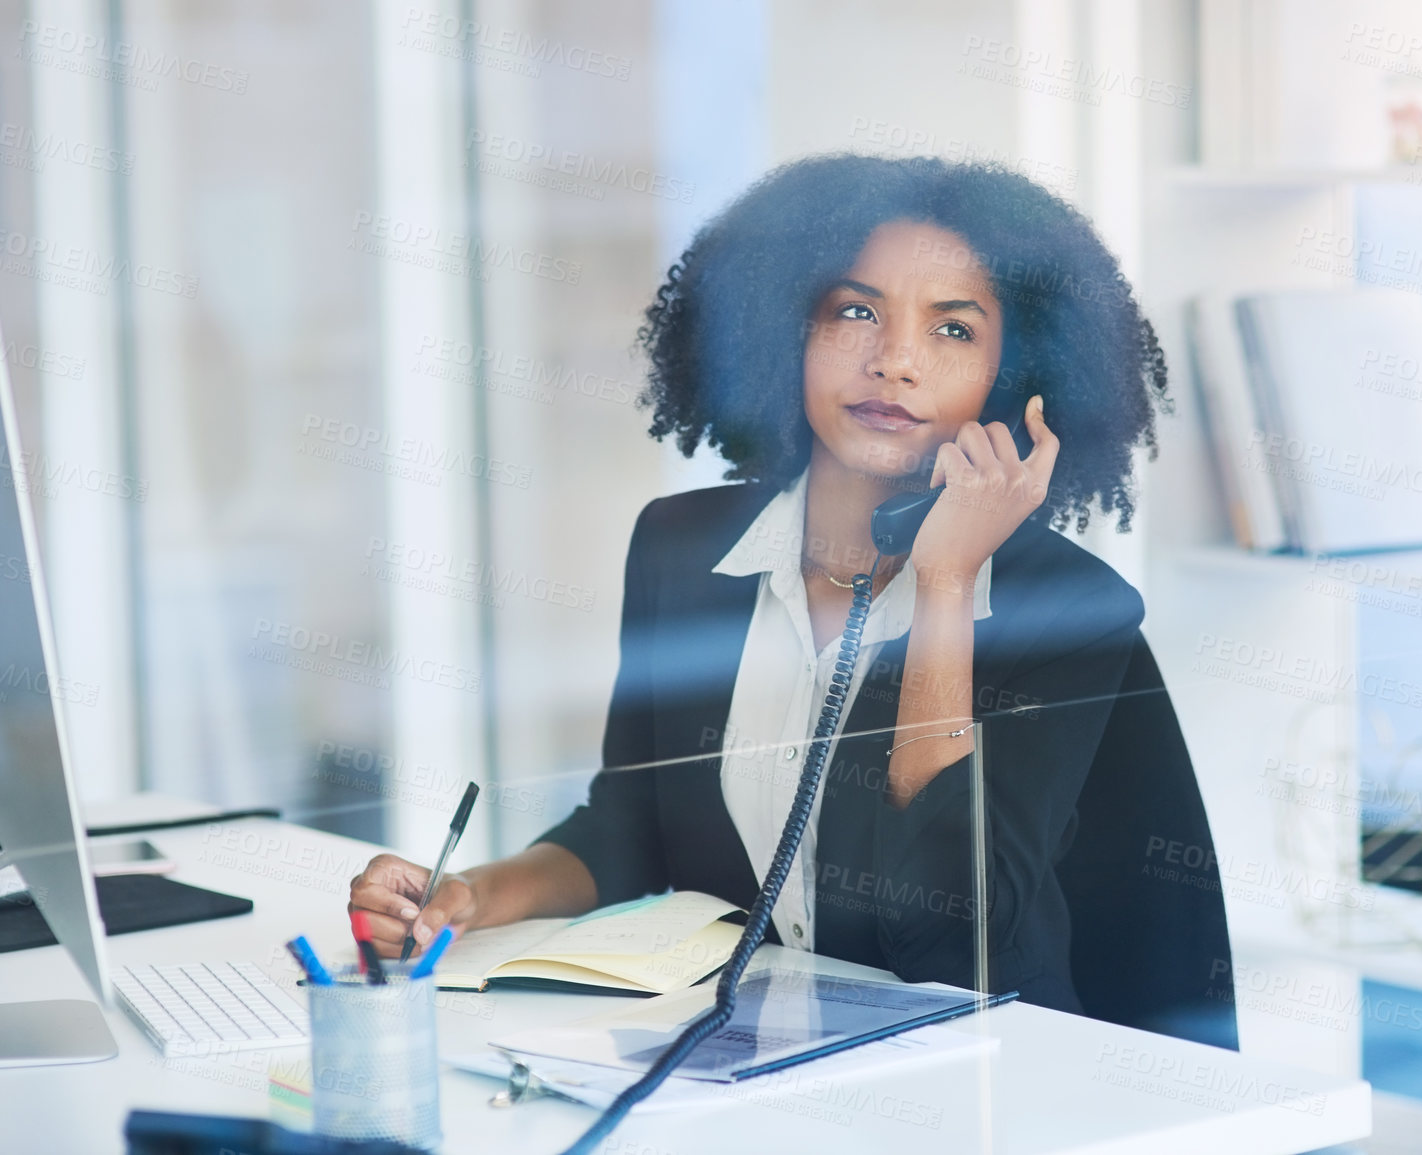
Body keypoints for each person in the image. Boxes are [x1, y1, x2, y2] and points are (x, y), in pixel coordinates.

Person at [349, 154, 1234, 1039]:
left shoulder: (1067, 607)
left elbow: (950, 936)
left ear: (1019, 377)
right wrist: (469, 895)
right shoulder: (682, 548)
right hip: (752, 1050)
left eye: (953, 331)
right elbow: (632, 822)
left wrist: (945, 584)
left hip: (990, 1074)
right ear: (786, 331)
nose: (894, 361)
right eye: (855, 312)